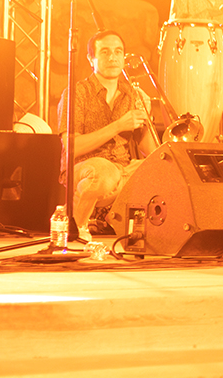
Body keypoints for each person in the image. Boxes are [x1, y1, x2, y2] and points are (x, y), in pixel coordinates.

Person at [56, 30, 157, 242]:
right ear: (91, 58)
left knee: (162, 170)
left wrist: (147, 120)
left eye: (118, 52)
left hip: (123, 169)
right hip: (84, 168)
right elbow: (71, 146)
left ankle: (126, 227)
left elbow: (150, 151)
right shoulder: (76, 93)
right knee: (104, 172)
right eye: (105, 52)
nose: (112, 57)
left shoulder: (134, 94)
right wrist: (118, 126)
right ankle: (76, 224)